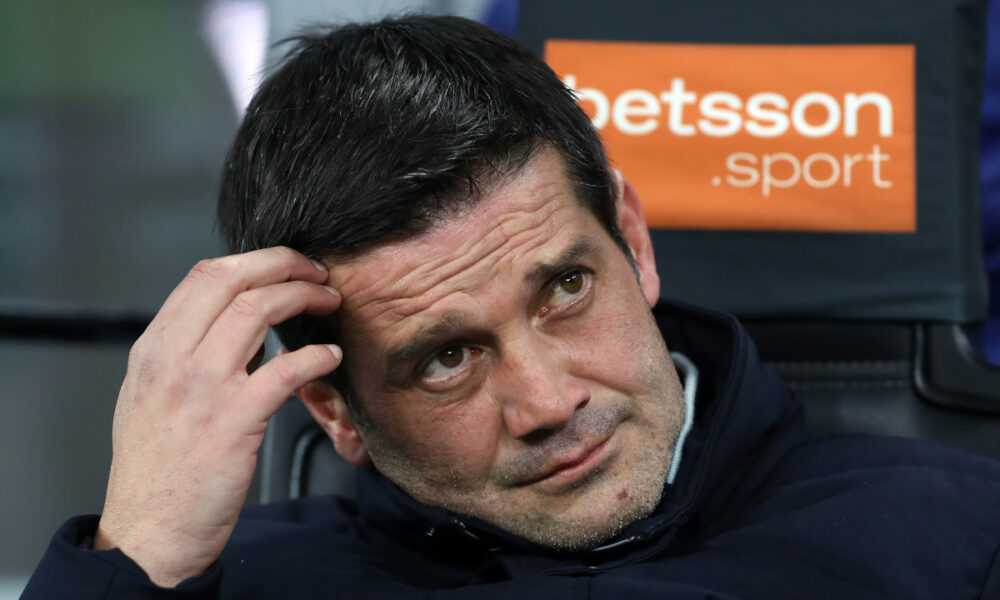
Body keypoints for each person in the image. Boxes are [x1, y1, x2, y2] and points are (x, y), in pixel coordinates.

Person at [23, 15, 1000, 599]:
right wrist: (133, 559)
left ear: (634, 242)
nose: (545, 401)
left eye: (564, 289)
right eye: (445, 358)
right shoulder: (233, 586)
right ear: (334, 411)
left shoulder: (956, 537)